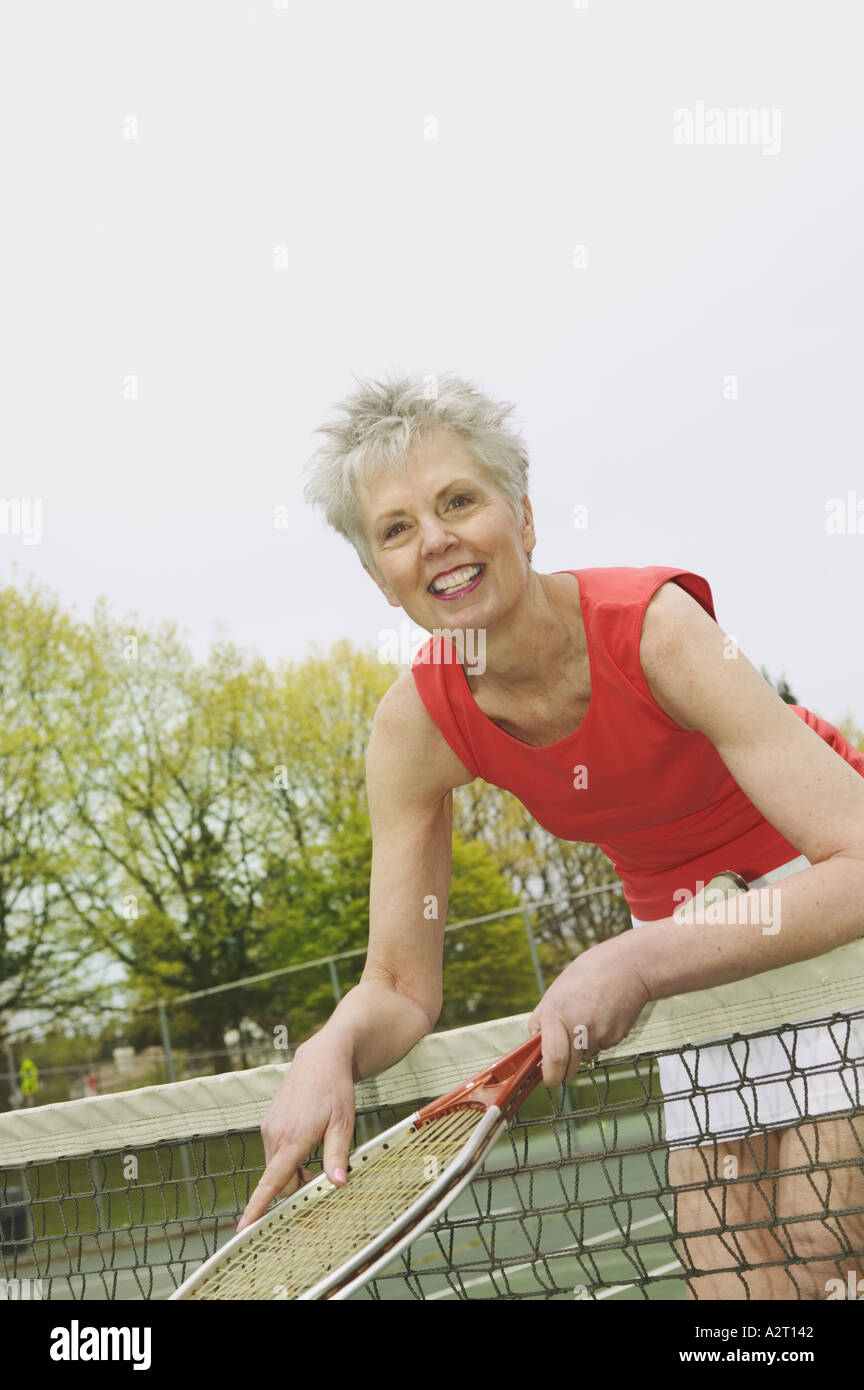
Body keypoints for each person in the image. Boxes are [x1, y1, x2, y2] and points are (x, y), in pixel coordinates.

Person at [238, 373, 864, 1299]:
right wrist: (325, 1049)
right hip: (691, 961)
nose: (437, 540)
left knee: (822, 1247)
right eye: (397, 528)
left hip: (822, 922)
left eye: (459, 501)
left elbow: (856, 863)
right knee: (736, 1284)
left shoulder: (657, 629)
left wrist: (639, 962)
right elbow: (402, 989)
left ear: (523, 516)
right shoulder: (414, 728)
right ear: (381, 579)